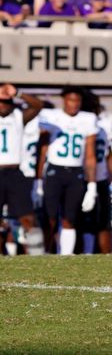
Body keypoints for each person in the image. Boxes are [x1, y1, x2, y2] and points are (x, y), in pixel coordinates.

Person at [38, 87, 99, 255]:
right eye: (70, 100)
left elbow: (90, 154)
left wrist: (92, 185)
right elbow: (43, 149)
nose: (74, 104)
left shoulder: (88, 119)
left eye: (77, 100)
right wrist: (38, 179)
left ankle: (65, 256)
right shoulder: (51, 116)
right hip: (54, 170)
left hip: (75, 172)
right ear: (63, 100)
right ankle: (47, 253)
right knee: (49, 216)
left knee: (70, 218)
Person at [0, 84, 45, 255]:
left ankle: (38, 257)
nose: (3, 105)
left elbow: (38, 105)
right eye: (0, 101)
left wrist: (18, 93)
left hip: (14, 172)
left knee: (28, 218)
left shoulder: (18, 116)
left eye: (6, 101)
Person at [80, 92, 112, 254]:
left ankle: (105, 257)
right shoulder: (78, 123)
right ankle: (82, 256)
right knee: (80, 222)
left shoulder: (105, 125)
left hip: (101, 178)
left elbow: (108, 154)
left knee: (103, 222)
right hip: (79, 179)